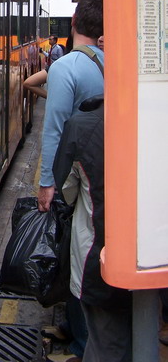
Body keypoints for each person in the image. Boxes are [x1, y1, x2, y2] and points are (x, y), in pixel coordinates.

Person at [38, 0, 104, 362]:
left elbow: (54, 128)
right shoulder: (110, 61)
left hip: (75, 175)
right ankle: (74, 326)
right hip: (103, 170)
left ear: (74, 21)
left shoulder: (65, 67)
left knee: (76, 251)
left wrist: (47, 183)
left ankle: (81, 344)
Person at [52, 96, 132, 362]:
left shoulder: (82, 127)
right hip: (152, 266)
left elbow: (67, 190)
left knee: (106, 342)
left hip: (98, 259)